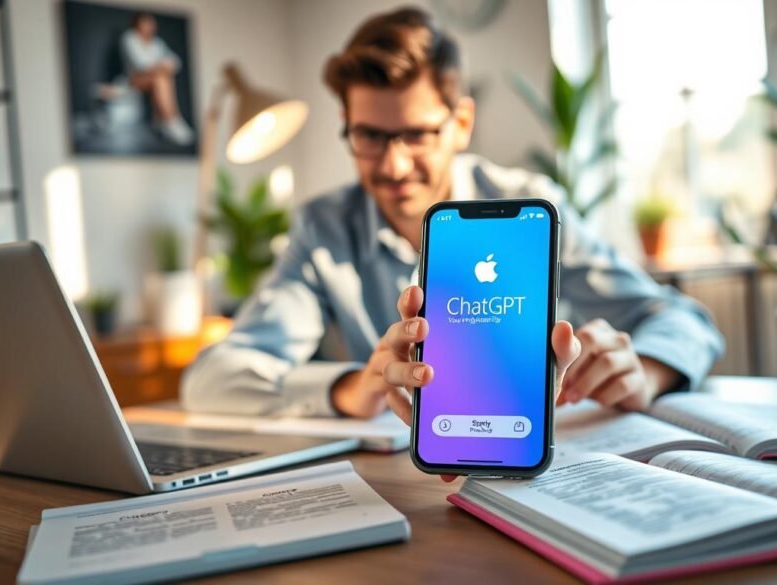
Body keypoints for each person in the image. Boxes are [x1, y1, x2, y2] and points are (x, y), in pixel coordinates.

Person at [181, 8, 723, 428]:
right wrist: (356, 387)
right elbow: (213, 378)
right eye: (369, 135)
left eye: (416, 134)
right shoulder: (324, 229)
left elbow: (685, 320)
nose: (393, 166)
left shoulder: (535, 207)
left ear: (461, 123)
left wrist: (645, 373)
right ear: (347, 127)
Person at [121, 12, 194, 146]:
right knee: (161, 77)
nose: (149, 26)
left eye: (151, 23)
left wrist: (164, 65)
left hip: (155, 78)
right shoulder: (130, 38)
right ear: (138, 24)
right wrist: (162, 64)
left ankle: (166, 121)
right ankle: (171, 120)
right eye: (146, 23)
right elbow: (140, 64)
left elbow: (176, 62)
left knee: (162, 79)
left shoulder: (157, 43)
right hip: (134, 80)